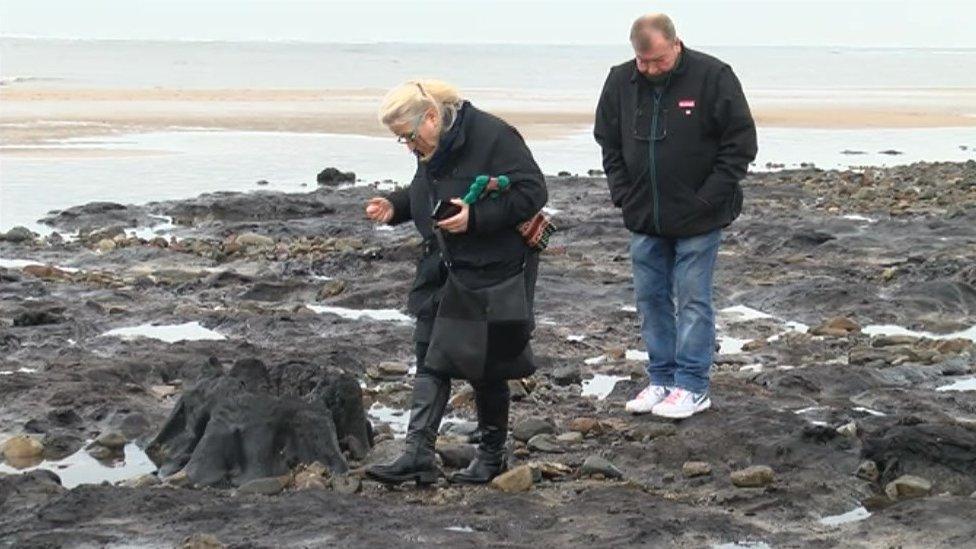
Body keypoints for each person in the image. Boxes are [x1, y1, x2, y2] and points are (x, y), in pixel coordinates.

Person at [363, 80, 547, 485]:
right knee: (429, 352)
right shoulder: (431, 145)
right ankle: (417, 454)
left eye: (409, 136)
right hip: (442, 264)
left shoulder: (494, 136)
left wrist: (476, 218)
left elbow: (533, 192)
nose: (409, 146)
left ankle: (492, 455)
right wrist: (395, 206)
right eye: (401, 141)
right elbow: (425, 190)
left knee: (489, 366)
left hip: (492, 268)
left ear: (431, 117)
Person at [594, 14, 757, 419]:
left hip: (700, 217)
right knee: (650, 300)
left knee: (694, 301)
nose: (649, 69)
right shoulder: (620, 81)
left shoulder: (713, 76)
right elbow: (608, 141)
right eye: (642, 62)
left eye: (658, 61)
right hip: (644, 215)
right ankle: (662, 379)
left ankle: (692, 386)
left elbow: (741, 144)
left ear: (676, 44)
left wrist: (707, 199)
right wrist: (623, 194)